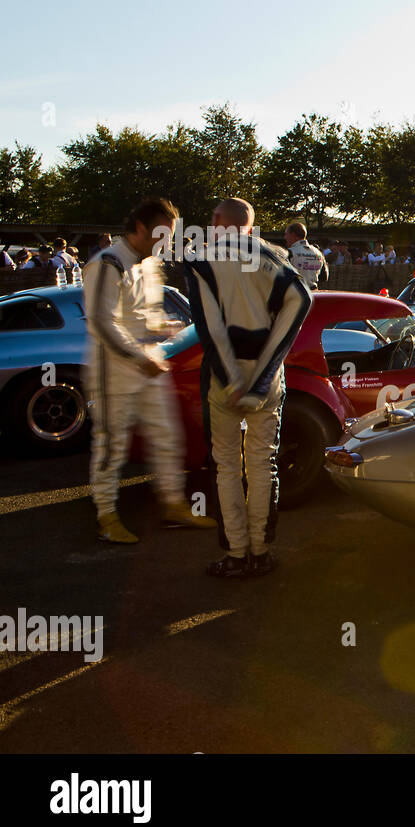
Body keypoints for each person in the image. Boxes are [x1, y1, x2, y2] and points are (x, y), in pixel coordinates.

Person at [183, 198, 310, 578]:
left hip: (224, 379)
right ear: (249, 223)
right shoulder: (272, 255)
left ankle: (236, 554)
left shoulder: (201, 258)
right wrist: (266, 370)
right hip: (268, 379)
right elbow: (302, 299)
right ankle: (261, 551)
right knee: (262, 464)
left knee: (226, 467)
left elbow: (209, 325)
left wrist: (232, 379)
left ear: (218, 221)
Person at [83, 197, 216, 543]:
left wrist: (165, 328)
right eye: (160, 234)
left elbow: (144, 316)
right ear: (140, 228)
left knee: (166, 437)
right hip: (114, 370)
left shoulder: (149, 265)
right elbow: (101, 319)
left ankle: (172, 504)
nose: (165, 243)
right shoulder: (107, 263)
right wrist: (140, 355)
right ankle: (106, 516)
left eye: (168, 235)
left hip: (149, 365)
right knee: (111, 446)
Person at [284, 222, 328, 290]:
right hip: (313, 293)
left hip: (295, 293)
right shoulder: (319, 252)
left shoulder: (289, 252)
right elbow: (324, 277)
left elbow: (281, 276)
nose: (285, 237)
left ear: (293, 235)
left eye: (286, 234)